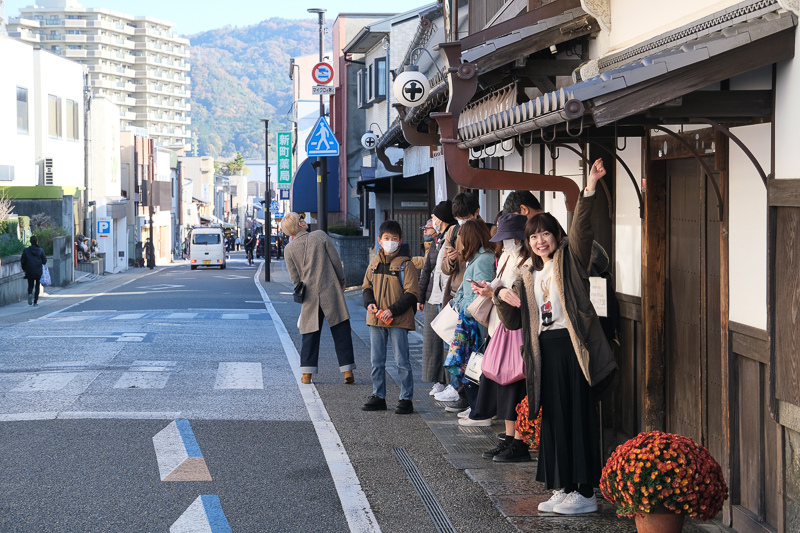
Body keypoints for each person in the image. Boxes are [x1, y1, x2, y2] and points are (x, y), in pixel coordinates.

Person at [494, 159, 618, 515]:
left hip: (572, 348)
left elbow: (582, 230)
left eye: (545, 233)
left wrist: (589, 188)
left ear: (556, 235)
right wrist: (499, 294)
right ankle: (563, 487)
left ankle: (585, 493)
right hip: (543, 352)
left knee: (577, 416)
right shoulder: (529, 273)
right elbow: (515, 321)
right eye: (533, 236)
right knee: (554, 419)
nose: (540, 240)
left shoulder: (570, 259)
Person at [470, 213, 532, 460]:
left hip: (517, 330)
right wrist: (488, 288)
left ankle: (519, 442)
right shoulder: (506, 256)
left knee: (516, 385)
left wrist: (492, 290)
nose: (505, 242)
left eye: (509, 238)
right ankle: (508, 438)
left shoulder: (528, 260)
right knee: (504, 385)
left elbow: (518, 294)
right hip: (501, 328)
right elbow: (500, 284)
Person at [282, 212, 356, 385]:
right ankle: (347, 371)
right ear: (299, 225)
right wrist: (341, 281)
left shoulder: (289, 249)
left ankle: (307, 373)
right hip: (329, 289)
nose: (304, 221)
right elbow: (336, 260)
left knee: (310, 333)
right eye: (301, 220)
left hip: (309, 294)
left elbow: (294, 278)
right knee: (341, 329)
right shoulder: (320, 236)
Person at [362, 220, 420, 415]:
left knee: (401, 361)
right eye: (387, 238)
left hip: (398, 320)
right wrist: (369, 303)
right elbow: (366, 287)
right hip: (376, 318)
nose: (390, 242)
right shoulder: (374, 262)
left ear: (400, 240)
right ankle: (378, 396)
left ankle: (406, 399)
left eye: (394, 239)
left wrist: (392, 311)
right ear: (379, 240)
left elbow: (412, 293)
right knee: (376, 361)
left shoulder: (406, 264)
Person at [448, 219, 496, 427]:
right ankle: (477, 408)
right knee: (470, 366)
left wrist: (460, 303)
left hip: (475, 323)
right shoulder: (478, 258)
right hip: (470, 322)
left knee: (473, 366)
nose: (459, 242)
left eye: (461, 238)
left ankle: (481, 411)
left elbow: (482, 296)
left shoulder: (484, 259)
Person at [418, 201, 457, 398]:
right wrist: (420, 295)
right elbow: (427, 269)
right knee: (432, 343)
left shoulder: (452, 237)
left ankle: (451, 384)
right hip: (433, 296)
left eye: (434, 217)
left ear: (442, 219)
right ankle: (437, 381)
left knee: (448, 341)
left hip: (447, 297)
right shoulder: (436, 240)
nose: (432, 221)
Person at [21, 235, 47, 306]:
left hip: (29, 270)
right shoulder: (41, 250)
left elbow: (23, 261)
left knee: (30, 285)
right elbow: (44, 261)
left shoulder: (26, 251)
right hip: (38, 270)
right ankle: (35, 302)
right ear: (37, 241)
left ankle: (29, 294)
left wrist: (24, 269)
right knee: (37, 286)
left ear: (30, 242)